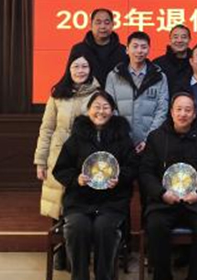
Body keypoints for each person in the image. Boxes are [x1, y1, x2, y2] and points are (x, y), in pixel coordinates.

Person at [53, 90, 138, 280]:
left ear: (113, 111)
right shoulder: (76, 137)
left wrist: (120, 178)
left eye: (106, 107)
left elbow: (133, 166)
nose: (101, 111)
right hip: (79, 201)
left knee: (104, 229)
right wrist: (77, 179)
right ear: (88, 110)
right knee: (77, 228)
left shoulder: (122, 137)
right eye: (96, 107)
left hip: (112, 202)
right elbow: (61, 169)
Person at [140, 93, 197, 280]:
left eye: (188, 110)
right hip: (164, 202)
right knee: (155, 225)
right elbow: (145, 173)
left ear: (194, 114)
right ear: (171, 112)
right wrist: (161, 193)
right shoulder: (156, 137)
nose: (183, 114)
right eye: (178, 109)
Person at [34, 46, 101, 268]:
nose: (80, 70)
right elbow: (46, 129)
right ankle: (61, 251)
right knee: (58, 205)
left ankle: (78, 254)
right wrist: (40, 161)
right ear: (69, 68)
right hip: (57, 156)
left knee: (79, 205)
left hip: (85, 158)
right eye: (76, 66)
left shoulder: (97, 94)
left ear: (90, 69)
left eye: (84, 66)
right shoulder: (58, 93)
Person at [105, 31, 169, 153]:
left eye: (143, 47)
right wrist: (122, 136)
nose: (139, 51)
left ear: (148, 50)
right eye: (135, 46)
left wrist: (149, 140)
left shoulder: (159, 77)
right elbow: (109, 107)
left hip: (150, 144)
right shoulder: (114, 76)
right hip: (119, 142)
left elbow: (162, 110)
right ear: (127, 49)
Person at [69, 8, 127, 87]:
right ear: (91, 25)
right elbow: (70, 77)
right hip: (86, 93)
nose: (102, 26)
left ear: (113, 25)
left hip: (115, 93)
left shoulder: (123, 51)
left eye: (107, 23)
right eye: (98, 22)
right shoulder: (79, 49)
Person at [153, 24, 193, 98]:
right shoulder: (158, 64)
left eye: (183, 37)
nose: (179, 40)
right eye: (175, 37)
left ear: (189, 40)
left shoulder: (196, 63)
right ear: (170, 40)